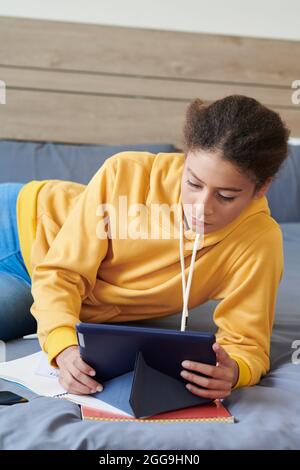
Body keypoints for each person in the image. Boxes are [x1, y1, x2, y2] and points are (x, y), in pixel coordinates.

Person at [0, 95, 290, 400]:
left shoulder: (258, 242)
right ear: (186, 158)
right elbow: (62, 272)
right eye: (192, 183)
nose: (201, 208)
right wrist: (64, 348)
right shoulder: (125, 171)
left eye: (226, 196)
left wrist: (233, 372)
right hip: (19, 220)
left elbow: (246, 346)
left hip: (40, 289)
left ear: (262, 188)